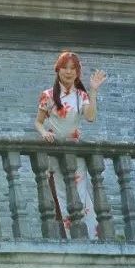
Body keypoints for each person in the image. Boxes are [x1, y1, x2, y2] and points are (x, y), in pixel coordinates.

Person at [35, 51, 107, 239]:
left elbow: (90, 117)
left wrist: (93, 91)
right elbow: (38, 122)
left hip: (75, 151)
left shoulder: (81, 95)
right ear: (58, 70)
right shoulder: (48, 95)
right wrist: (44, 133)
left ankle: (91, 237)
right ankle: (71, 236)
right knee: (60, 193)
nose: (68, 72)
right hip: (54, 151)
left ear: (77, 72)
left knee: (81, 194)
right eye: (65, 68)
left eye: (73, 68)